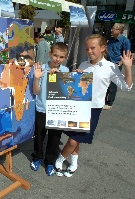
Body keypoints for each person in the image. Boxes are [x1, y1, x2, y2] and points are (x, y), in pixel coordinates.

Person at [55, 34, 133, 177]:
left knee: (74, 140)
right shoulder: (84, 64)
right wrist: (75, 75)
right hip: (78, 106)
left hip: (93, 110)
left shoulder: (110, 67)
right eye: (87, 49)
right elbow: (76, 86)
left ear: (103, 48)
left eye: (93, 48)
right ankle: (74, 163)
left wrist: (128, 68)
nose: (89, 51)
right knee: (75, 138)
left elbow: (126, 87)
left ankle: (59, 160)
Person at [30, 42, 69, 176]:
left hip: (58, 111)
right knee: (39, 135)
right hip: (42, 108)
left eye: (61, 57)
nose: (57, 59)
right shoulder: (41, 69)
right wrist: (36, 78)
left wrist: (58, 78)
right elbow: (35, 91)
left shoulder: (65, 71)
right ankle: (37, 157)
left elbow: (68, 93)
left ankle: (50, 162)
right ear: (50, 54)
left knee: (54, 138)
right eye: (55, 55)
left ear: (65, 57)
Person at [104, 23, 131, 110]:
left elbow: (126, 54)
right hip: (107, 63)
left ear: (119, 30)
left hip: (115, 64)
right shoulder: (110, 40)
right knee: (104, 82)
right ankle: (103, 101)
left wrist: (120, 63)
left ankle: (109, 102)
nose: (111, 30)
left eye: (113, 28)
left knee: (112, 84)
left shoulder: (125, 41)